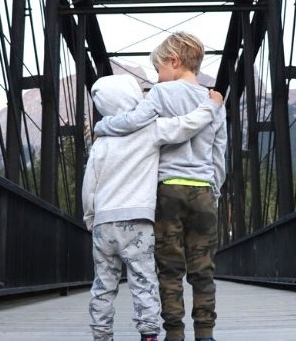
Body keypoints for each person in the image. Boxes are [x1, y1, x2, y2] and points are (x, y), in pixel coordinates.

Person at [94, 32, 227, 341]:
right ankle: (205, 333)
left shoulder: (160, 94)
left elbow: (132, 122)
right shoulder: (212, 102)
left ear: (174, 61)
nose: (157, 76)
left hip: (167, 191)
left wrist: (103, 126)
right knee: (203, 269)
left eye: (158, 69)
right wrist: (214, 191)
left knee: (169, 269)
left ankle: (174, 333)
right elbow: (218, 154)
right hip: (204, 192)